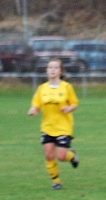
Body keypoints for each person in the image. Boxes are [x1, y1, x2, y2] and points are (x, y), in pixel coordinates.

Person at [27, 58, 79, 190]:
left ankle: (72, 155)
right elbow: (36, 104)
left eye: (55, 68)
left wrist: (69, 108)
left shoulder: (67, 87)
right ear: (46, 71)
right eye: (50, 67)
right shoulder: (41, 88)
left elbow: (74, 103)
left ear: (60, 71)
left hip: (62, 127)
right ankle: (56, 182)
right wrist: (33, 109)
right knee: (49, 155)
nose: (52, 70)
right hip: (47, 126)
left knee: (61, 157)